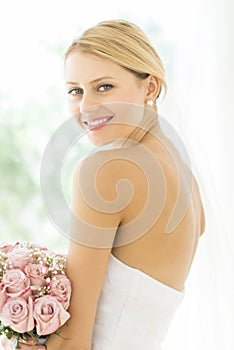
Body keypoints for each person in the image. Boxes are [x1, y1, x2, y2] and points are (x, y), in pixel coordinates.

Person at [6, 19, 205, 350]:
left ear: (150, 87)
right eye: (76, 91)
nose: (86, 107)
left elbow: (73, 342)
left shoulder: (104, 171)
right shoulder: (187, 179)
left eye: (104, 87)